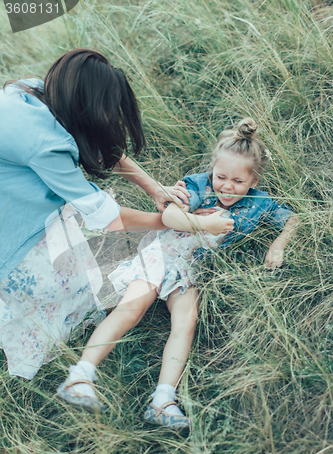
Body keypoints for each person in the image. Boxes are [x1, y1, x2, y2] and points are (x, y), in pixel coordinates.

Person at [57, 118, 298, 428]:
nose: (226, 186)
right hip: (162, 255)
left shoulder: (259, 203)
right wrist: (203, 224)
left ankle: (163, 400)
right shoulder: (199, 184)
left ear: (253, 181)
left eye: (238, 182)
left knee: (185, 324)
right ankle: (79, 376)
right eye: (221, 176)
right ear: (213, 168)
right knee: (131, 309)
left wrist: (277, 246)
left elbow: (294, 220)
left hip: (192, 268)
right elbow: (169, 214)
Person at [0, 48, 191, 380]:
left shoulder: (32, 92)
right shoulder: (47, 146)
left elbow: (97, 144)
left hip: (11, 207)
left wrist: (155, 189)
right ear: (85, 107)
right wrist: (169, 223)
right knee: (107, 271)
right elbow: (107, 217)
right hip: (14, 247)